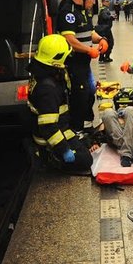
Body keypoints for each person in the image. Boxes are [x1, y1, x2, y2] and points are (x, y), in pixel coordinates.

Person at [28, 34, 95, 173]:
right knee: (86, 160)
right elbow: (48, 127)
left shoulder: (45, 75)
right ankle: (50, 159)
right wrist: (64, 150)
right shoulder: (48, 89)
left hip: (61, 127)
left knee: (88, 143)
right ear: (55, 60)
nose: (67, 60)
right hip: (49, 139)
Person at [57, 0, 108, 131]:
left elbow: (88, 32)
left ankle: (87, 123)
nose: (93, 2)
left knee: (90, 92)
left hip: (83, 64)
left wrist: (100, 39)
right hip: (73, 64)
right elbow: (69, 40)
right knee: (80, 96)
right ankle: (77, 130)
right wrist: (89, 50)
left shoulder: (83, 10)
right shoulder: (68, 11)